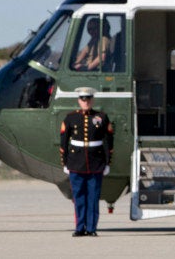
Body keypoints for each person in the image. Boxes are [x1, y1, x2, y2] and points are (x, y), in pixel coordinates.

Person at [60, 87, 114, 237]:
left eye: (88, 99)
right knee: (79, 197)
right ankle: (79, 227)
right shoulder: (70, 118)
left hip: (96, 163)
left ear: (92, 100)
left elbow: (108, 142)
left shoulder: (101, 117)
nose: (86, 102)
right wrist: (65, 163)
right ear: (79, 101)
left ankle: (91, 228)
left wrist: (108, 163)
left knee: (93, 198)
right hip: (76, 163)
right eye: (83, 99)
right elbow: (64, 142)